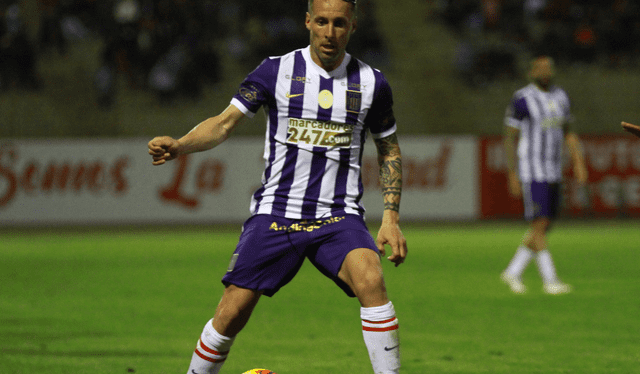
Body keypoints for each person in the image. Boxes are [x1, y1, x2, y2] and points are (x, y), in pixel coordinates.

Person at [148, 0, 408, 373]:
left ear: (353, 26)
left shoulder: (372, 83)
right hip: (277, 213)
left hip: (338, 216)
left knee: (371, 279)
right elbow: (224, 123)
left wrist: (391, 218)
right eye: (321, 22)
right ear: (307, 22)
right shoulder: (276, 71)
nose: (329, 32)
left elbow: (389, 149)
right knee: (233, 310)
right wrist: (181, 145)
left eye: (338, 23)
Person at [501, 55, 587, 295]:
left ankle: (513, 272)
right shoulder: (522, 99)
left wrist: (579, 163)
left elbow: (569, 132)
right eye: (540, 68)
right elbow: (510, 137)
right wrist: (512, 172)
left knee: (545, 224)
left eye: (549, 67)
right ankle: (550, 280)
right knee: (539, 222)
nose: (546, 71)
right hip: (532, 169)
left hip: (554, 169)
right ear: (531, 72)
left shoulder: (561, 97)